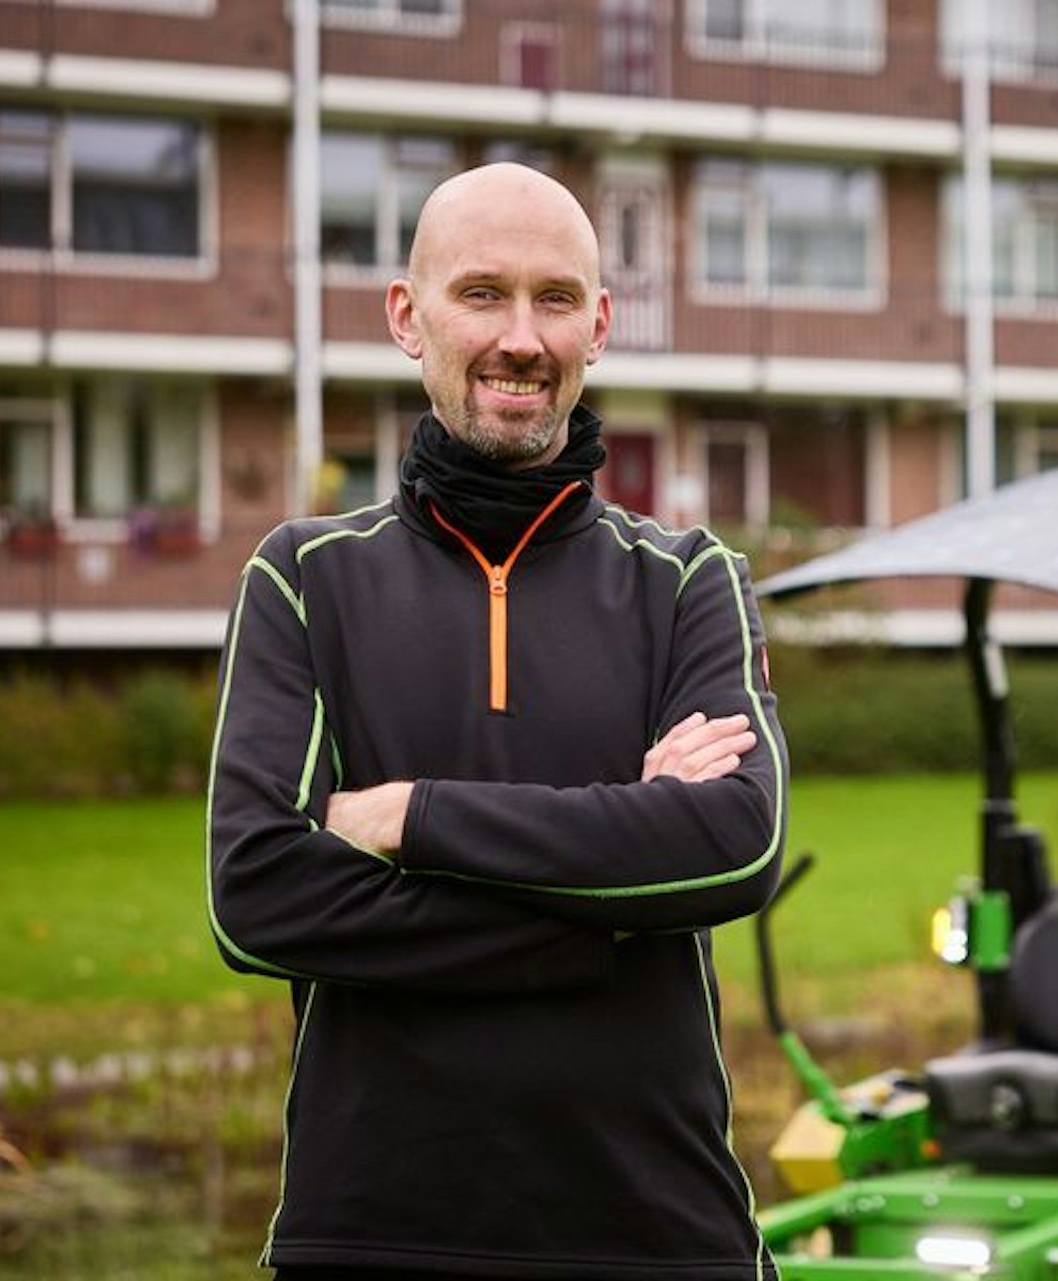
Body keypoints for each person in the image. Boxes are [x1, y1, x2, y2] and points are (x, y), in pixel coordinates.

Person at [206, 162, 788, 1278]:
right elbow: (257, 899)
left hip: (660, 1239)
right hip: (372, 1237)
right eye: (481, 294)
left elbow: (734, 849)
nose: (522, 338)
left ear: (600, 326)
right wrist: (607, 915)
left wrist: (411, 817)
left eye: (556, 299)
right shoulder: (304, 578)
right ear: (406, 317)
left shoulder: (686, 582)